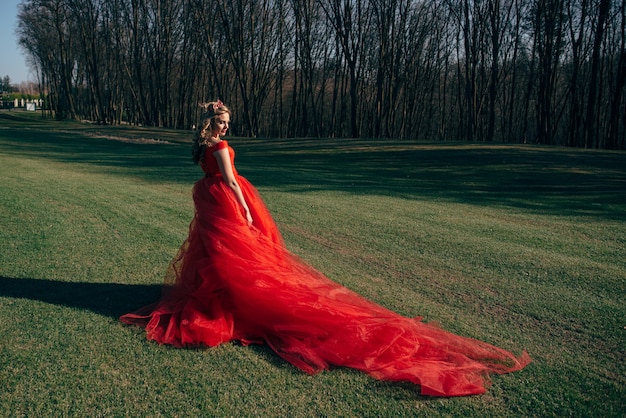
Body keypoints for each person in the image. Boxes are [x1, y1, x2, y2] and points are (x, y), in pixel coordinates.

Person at [120, 100, 530, 397]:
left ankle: (225, 302)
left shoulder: (202, 148)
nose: (227, 128)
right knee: (238, 257)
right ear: (213, 123)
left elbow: (213, 179)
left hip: (208, 201)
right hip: (227, 201)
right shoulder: (221, 149)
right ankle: (231, 304)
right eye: (222, 122)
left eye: (227, 123)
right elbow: (229, 181)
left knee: (217, 259)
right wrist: (245, 212)